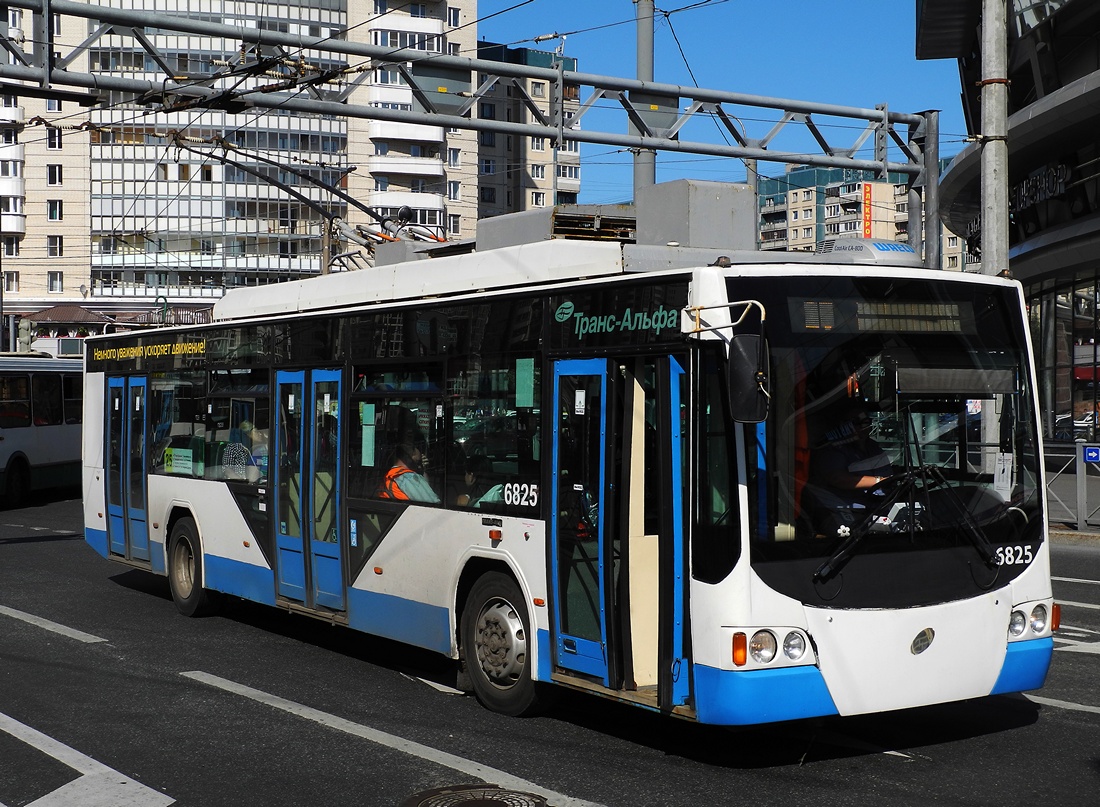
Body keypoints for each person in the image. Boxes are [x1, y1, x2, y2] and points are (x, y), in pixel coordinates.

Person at [805, 403, 893, 537]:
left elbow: (888, 477)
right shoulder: (833, 447)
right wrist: (880, 481)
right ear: (843, 425)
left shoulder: (874, 448)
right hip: (838, 509)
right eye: (855, 423)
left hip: (873, 509)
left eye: (866, 422)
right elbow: (837, 479)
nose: (861, 427)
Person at [377, 438, 440, 503]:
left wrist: (423, 470)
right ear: (409, 458)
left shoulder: (392, 474)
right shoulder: (408, 477)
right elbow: (432, 503)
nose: (419, 465)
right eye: (418, 461)